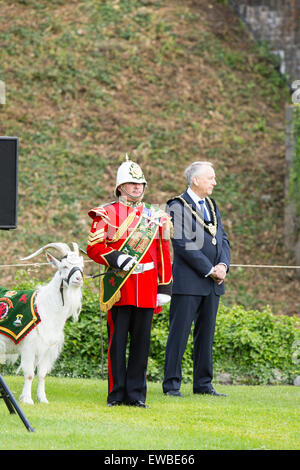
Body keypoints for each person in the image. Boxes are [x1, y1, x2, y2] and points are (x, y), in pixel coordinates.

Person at [87, 155, 172, 408]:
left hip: (147, 287)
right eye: (131, 183)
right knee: (117, 343)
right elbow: (93, 247)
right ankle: (116, 394)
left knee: (141, 344)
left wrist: (165, 286)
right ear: (120, 186)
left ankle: (136, 395)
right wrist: (115, 258)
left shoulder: (157, 216)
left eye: (140, 184)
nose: (137, 188)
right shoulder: (107, 212)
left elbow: (163, 253)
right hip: (119, 286)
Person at [162, 161, 230, 397]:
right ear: (196, 180)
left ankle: (203, 384)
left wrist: (223, 266)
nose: (214, 182)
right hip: (189, 282)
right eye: (210, 178)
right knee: (178, 334)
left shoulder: (211, 205)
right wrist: (209, 269)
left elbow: (222, 239)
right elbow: (183, 244)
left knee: (206, 335)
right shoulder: (176, 206)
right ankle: (171, 385)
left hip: (213, 283)